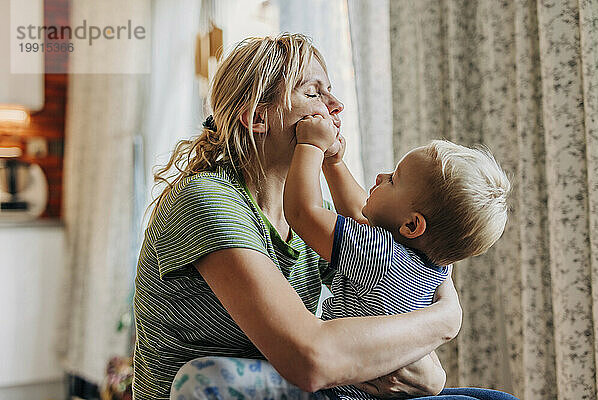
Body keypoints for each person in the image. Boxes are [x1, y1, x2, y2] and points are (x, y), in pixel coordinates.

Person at [132, 33, 513, 400]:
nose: (335, 105)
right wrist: (446, 320)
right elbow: (311, 360)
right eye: (313, 92)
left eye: (329, 90)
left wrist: (432, 374)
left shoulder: (313, 220)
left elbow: (400, 317)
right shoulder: (208, 202)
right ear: (256, 118)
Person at [283, 117, 511, 399]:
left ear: (412, 226)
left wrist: (311, 144)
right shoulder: (434, 266)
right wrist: (335, 164)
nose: (380, 177)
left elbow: (302, 213)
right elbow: (359, 214)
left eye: (393, 180)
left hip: (340, 393)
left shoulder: (381, 255)